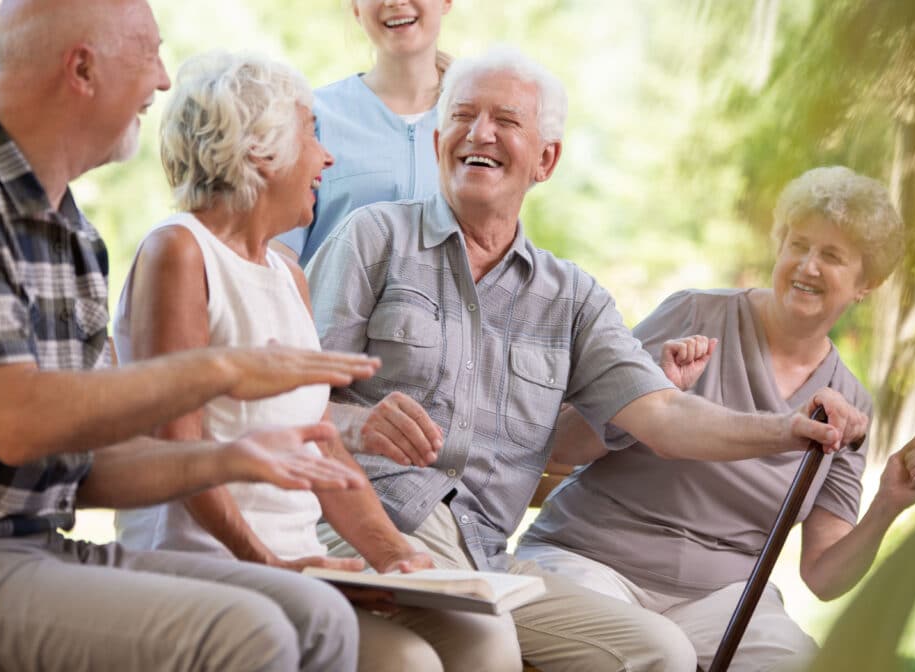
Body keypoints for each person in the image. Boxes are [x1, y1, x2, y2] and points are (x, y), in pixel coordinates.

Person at [305, 46, 870, 672]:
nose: (480, 133)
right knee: (483, 646)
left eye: (506, 121)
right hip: (365, 520)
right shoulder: (374, 237)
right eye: (463, 116)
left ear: (545, 159)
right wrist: (358, 427)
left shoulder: (571, 298)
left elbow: (664, 417)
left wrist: (783, 428)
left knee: (660, 653)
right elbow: (291, 407)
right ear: (439, 139)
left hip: (487, 557)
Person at [0, 2, 385, 670]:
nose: (163, 82)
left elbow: (84, 470)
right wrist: (219, 371)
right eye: (149, 53)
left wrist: (231, 458)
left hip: (40, 541)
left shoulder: (74, 236)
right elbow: (15, 423)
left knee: (321, 617)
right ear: (83, 68)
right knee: (250, 633)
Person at [113, 49, 521, 672]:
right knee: (406, 662)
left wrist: (393, 557)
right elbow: (180, 449)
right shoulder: (180, 251)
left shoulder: (287, 274)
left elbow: (323, 445)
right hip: (205, 566)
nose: (325, 158)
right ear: (259, 150)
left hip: (297, 566)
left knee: (482, 640)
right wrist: (271, 565)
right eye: (311, 134)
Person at [517, 166, 915, 671]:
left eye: (831, 255)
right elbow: (563, 445)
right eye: (797, 244)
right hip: (592, 562)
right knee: (654, 655)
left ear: (866, 283)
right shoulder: (696, 315)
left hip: (718, 601)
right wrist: (652, 392)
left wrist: (888, 506)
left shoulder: (850, 403)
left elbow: (824, 577)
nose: (806, 265)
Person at [276, 0, 452, 266]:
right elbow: (278, 258)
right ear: (356, 8)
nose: (395, 2)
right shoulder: (312, 118)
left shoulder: (479, 123)